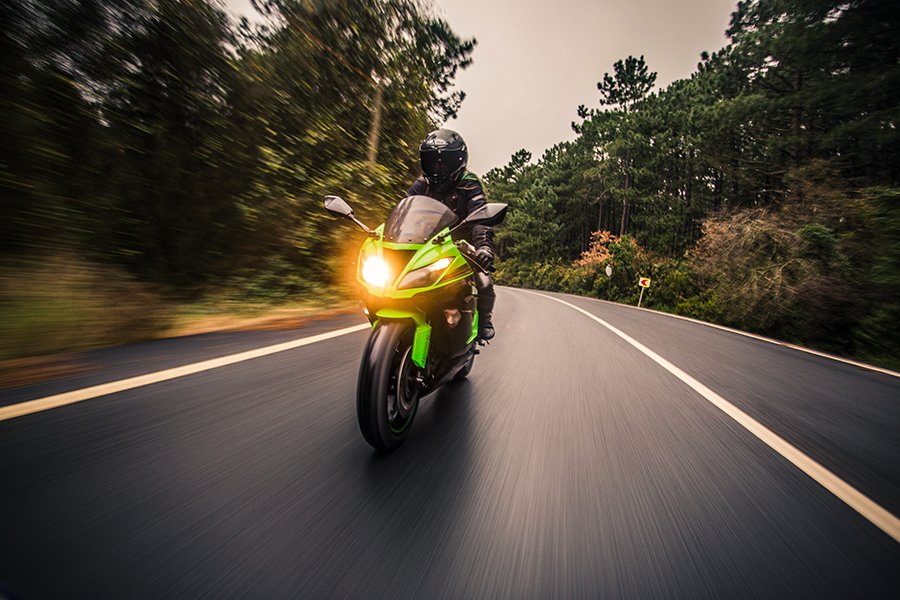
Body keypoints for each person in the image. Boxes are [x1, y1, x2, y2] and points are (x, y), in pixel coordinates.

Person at [407, 128, 496, 340]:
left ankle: (484, 320)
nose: (438, 167)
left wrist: (483, 247)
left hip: (461, 244)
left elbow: (480, 217)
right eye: (432, 161)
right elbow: (404, 208)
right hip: (424, 244)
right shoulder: (422, 184)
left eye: (444, 161)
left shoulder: (469, 183)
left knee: (484, 282)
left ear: (458, 161)